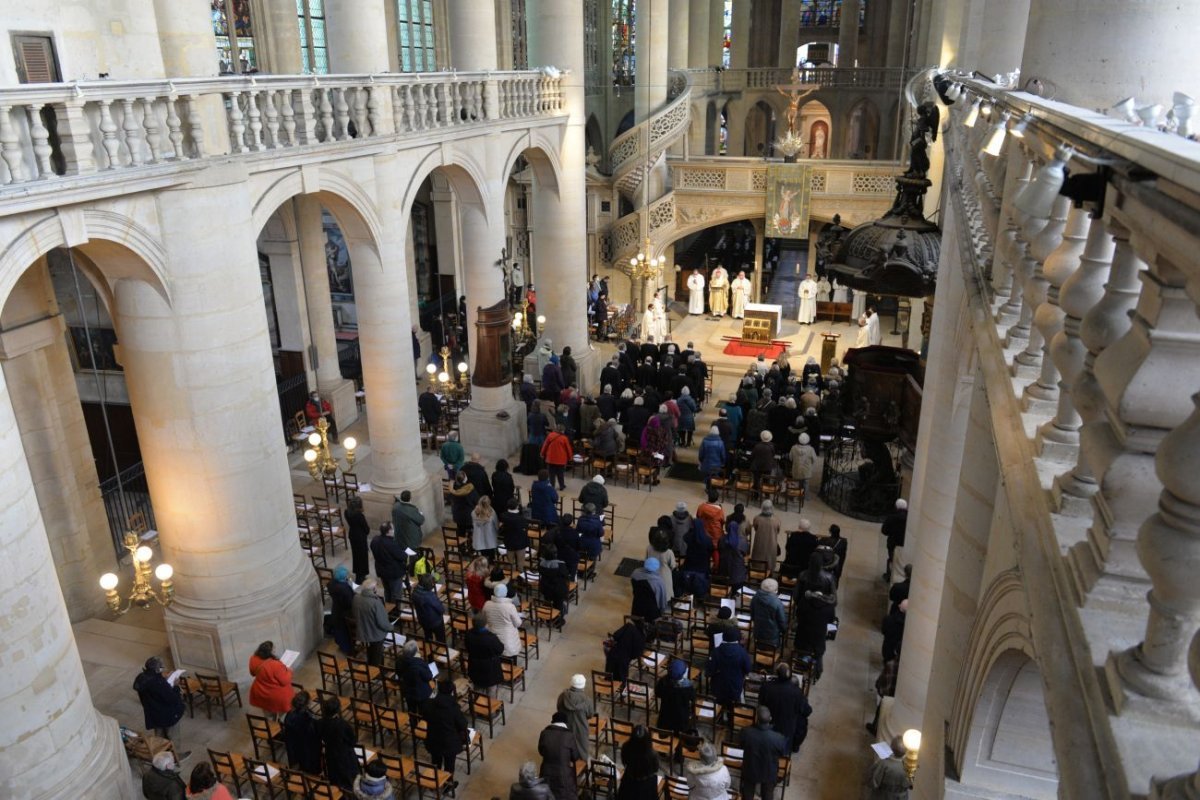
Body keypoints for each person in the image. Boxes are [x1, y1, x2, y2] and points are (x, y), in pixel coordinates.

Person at [132, 657, 187, 751]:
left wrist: (162, 679)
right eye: (161, 668)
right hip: (168, 714)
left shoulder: (142, 678)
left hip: (154, 713)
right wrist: (176, 686)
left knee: (160, 737)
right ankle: (175, 756)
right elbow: (171, 699)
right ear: (157, 669)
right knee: (173, 737)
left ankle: (161, 754)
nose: (163, 669)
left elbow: (153, 691)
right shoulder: (158, 684)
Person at [420, 681, 467, 790]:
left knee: (435, 762)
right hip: (449, 742)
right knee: (449, 765)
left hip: (433, 738)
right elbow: (463, 724)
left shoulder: (429, 704)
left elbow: (424, 716)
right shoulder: (453, 707)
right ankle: (447, 785)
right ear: (451, 692)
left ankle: (434, 783)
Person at [759, 662, 812, 753]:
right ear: (790, 675)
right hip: (786, 733)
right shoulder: (797, 692)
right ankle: (795, 746)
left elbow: (761, 704)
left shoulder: (766, 687)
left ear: (776, 673)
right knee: (802, 720)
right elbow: (807, 711)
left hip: (768, 729)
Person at [740, 707, 789, 800]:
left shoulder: (746, 732)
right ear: (770, 719)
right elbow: (783, 753)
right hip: (769, 771)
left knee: (747, 793)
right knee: (767, 794)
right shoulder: (778, 738)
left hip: (750, 768)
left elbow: (741, 745)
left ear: (757, 719)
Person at [538, 711, 581, 800]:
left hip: (546, 772)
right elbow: (575, 756)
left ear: (553, 722)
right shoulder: (569, 736)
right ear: (565, 722)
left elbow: (541, 751)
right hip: (564, 776)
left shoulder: (544, 733)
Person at [320, 695, 360, 790]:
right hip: (344, 755)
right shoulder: (342, 724)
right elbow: (353, 740)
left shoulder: (320, 722)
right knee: (349, 780)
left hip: (330, 753)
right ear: (338, 710)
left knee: (335, 778)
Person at [707, 628, 752, 709]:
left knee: (719, 705)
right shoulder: (742, 652)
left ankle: (718, 715)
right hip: (735, 687)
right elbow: (748, 669)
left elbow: (709, 671)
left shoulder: (716, 652)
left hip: (718, 687)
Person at [248, 641, 294, 717]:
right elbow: (285, 681)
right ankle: (280, 723)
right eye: (273, 649)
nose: (275, 651)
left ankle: (270, 725)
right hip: (276, 695)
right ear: (270, 652)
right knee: (282, 715)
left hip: (261, 692)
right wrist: (289, 671)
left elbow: (252, 673)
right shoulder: (275, 664)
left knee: (268, 713)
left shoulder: (253, 659)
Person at [556, 674, 595, 762]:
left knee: (565, 746)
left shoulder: (562, 697)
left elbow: (558, 709)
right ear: (583, 685)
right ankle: (580, 768)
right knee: (581, 749)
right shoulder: (587, 700)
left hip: (565, 726)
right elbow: (590, 714)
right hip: (581, 729)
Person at [353, 578, 392, 666]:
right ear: (374, 589)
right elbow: (382, 623)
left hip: (363, 631)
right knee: (377, 655)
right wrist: (390, 627)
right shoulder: (375, 603)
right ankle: (377, 672)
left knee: (370, 651)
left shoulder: (356, 598)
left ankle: (371, 666)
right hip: (375, 634)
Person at [465, 612, 505, 697]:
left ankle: (479, 705)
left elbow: (467, 648)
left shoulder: (468, 635)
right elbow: (500, 649)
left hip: (474, 665)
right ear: (485, 624)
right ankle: (490, 707)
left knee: (477, 687)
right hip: (490, 668)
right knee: (491, 689)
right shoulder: (491, 638)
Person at [282, 690, 322, 774]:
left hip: (294, 747)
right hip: (308, 748)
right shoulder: (308, 718)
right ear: (307, 704)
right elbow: (315, 733)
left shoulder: (289, 715)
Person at [617, 724, 661, 799]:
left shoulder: (626, 748)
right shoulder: (652, 755)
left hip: (629, 782)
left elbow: (624, 761)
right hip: (646, 784)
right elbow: (655, 769)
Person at [370, 521, 408, 603]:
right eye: (393, 529)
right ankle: (396, 613)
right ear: (388, 532)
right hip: (393, 573)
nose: (394, 531)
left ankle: (389, 608)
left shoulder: (375, 540)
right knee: (396, 594)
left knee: (387, 591)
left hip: (382, 571)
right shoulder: (390, 544)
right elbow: (402, 556)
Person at [484, 583, 524, 658]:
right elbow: (518, 623)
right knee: (510, 660)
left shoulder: (487, 604)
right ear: (505, 593)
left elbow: (485, 618)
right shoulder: (510, 607)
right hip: (508, 638)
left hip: (492, 636)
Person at [605, 618, 646, 692]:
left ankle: (607, 690)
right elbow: (636, 655)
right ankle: (622, 695)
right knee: (622, 680)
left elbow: (615, 636)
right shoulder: (641, 638)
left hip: (612, 655)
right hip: (623, 660)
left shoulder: (628, 626)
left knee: (609, 675)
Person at [655, 658, 695, 733]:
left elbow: (657, 693)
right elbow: (692, 698)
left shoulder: (663, 682)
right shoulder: (688, 687)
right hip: (680, 722)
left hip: (665, 720)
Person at [395, 640, 435, 711]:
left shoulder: (399, 661)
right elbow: (428, 677)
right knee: (423, 712)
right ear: (415, 652)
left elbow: (398, 673)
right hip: (421, 693)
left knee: (411, 711)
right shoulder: (419, 664)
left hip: (407, 691)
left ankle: (413, 721)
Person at [750, 579, 788, 650]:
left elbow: (752, 613)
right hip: (772, 638)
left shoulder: (755, 597)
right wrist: (784, 630)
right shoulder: (777, 603)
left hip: (758, 634)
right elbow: (782, 621)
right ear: (775, 590)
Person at [411, 572, 447, 644]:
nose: (433, 585)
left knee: (428, 637)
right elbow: (441, 609)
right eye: (432, 583)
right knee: (440, 640)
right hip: (434, 621)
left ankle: (429, 652)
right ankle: (441, 652)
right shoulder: (429, 596)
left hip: (422, 619)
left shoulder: (414, 592)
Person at [327, 565, 355, 655]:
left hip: (336, 609)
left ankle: (342, 646)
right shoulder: (345, 589)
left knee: (339, 629)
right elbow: (349, 603)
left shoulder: (331, 584)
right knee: (345, 631)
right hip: (344, 612)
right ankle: (348, 650)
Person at [630, 556, 668, 621]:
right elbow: (661, 600)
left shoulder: (635, 573)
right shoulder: (658, 582)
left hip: (636, 609)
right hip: (652, 615)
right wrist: (662, 612)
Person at [499, 498, 531, 574]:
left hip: (509, 541)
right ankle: (520, 578)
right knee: (520, 563)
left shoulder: (503, 516)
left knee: (510, 563)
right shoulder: (521, 518)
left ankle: (512, 577)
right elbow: (526, 526)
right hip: (520, 543)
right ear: (517, 506)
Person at [645, 525, 677, 600]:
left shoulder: (649, 548)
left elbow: (646, 560)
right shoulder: (669, 553)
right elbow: (673, 566)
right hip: (664, 576)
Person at [750, 501, 781, 574]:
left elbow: (755, 528)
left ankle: (757, 574)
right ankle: (770, 574)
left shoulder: (757, 518)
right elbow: (778, 531)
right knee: (770, 562)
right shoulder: (776, 520)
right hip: (771, 543)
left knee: (758, 561)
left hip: (760, 543)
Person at [346, 496, 371, 585]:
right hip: (360, 538)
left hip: (352, 535)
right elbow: (366, 529)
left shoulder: (347, 512)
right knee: (362, 557)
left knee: (356, 556)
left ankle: (358, 575)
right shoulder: (359, 516)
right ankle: (361, 577)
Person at [881, 498, 908, 580]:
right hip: (905, 543)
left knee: (892, 559)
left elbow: (884, 531)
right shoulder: (909, 518)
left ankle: (889, 575)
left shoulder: (892, 517)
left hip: (893, 543)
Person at [540, 425, 573, 491]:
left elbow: (545, 445)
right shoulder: (564, 438)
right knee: (560, 474)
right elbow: (568, 449)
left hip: (550, 459)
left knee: (551, 474)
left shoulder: (550, 435)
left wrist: (542, 453)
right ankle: (561, 486)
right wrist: (570, 457)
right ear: (562, 430)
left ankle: (552, 486)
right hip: (561, 460)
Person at [449, 471, 479, 539]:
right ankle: (470, 544)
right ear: (465, 479)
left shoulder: (454, 490)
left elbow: (450, 499)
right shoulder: (470, 489)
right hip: (469, 517)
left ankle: (461, 547)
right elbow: (477, 501)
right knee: (471, 532)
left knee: (460, 533)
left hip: (458, 516)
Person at [696, 491, 726, 559]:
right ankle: (716, 566)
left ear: (708, 497)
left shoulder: (702, 507)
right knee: (716, 550)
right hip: (715, 535)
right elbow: (723, 521)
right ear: (717, 499)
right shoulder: (719, 510)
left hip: (703, 533)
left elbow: (698, 517)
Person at [471, 495, 500, 561]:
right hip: (490, 536)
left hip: (479, 537)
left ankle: (484, 565)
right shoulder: (491, 512)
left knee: (483, 555)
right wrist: (498, 529)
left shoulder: (474, 512)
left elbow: (473, 523)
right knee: (491, 555)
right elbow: (496, 523)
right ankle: (491, 564)